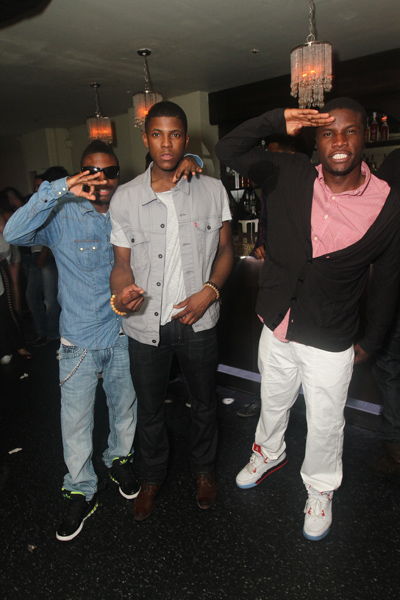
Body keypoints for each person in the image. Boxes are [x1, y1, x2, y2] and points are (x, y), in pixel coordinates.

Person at [215, 98, 400, 541]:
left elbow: (389, 277)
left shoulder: (387, 204)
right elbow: (227, 149)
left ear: (364, 136)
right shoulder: (289, 171)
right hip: (277, 323)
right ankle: (268, 452)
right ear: (316, 140)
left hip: (331, 335)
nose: (340, 141)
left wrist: (374, 339)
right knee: (273, 400)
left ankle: (320, 488)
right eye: (329, 132)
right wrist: (276, 119)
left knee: (325, 421)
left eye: (350, 131)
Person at [4, 140, 202, 541]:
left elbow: (171, 186)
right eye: (92, 171)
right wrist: (59, 188)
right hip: (78, 339)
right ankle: (80, 489)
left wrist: (192, 160)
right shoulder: (62, 213)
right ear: (81, 173)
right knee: (75, 422)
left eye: (110, 172)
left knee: (125, 409)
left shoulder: (128, 206)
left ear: (118, 175)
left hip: (125, 332)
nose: (102, 179)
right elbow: (13, 232)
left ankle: (119, 459)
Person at [109, 100, 234, 521]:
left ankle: (204, 472)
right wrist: (123, 292)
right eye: (158, 134)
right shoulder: (126, 198)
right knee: (149, 410)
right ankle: (151, 478)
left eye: (175, 134)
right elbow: (121, 264)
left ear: (185, 139)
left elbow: (226, 250)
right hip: (146, 325)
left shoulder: (212, 189)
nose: (167, 144)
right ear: (146, 138)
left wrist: (209, 292)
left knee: (204, 404)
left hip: (199, 321)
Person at [369, 148, 400, 480]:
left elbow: (372, 213)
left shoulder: (394, 163)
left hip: (394, 285)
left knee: (390, 368)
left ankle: (395, 452)